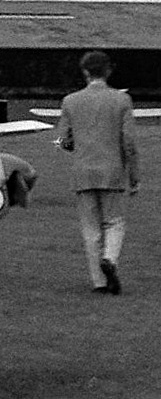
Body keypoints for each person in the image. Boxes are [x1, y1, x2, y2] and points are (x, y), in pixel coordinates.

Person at [56, 50, 140, 295]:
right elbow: (129, 143)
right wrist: (134, 175)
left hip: (83, 171)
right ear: (108, 71)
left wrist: (74, 144)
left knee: (90, 229)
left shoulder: (70, 101)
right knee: (114, 222)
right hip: (113, 171)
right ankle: (110, 259)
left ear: (85, 72)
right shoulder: (122, 101)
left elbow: (62, 140)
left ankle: (99, 282)